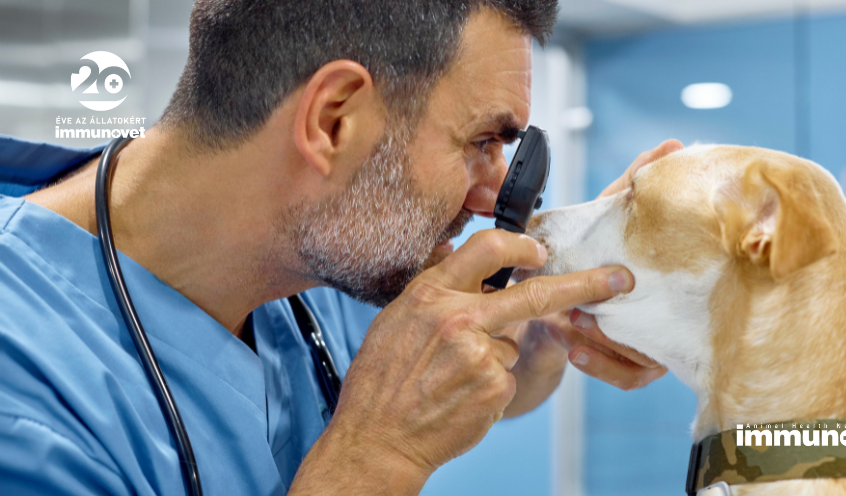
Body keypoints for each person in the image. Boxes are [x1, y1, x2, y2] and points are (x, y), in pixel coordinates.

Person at [0, 1, 681, 494]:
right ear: (333, 120)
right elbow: (393, 423)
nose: (491, 195)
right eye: (482, 142)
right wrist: (378, 457)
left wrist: (541, 322)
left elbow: (479, 387)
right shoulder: (23, 393)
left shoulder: (322, 250)